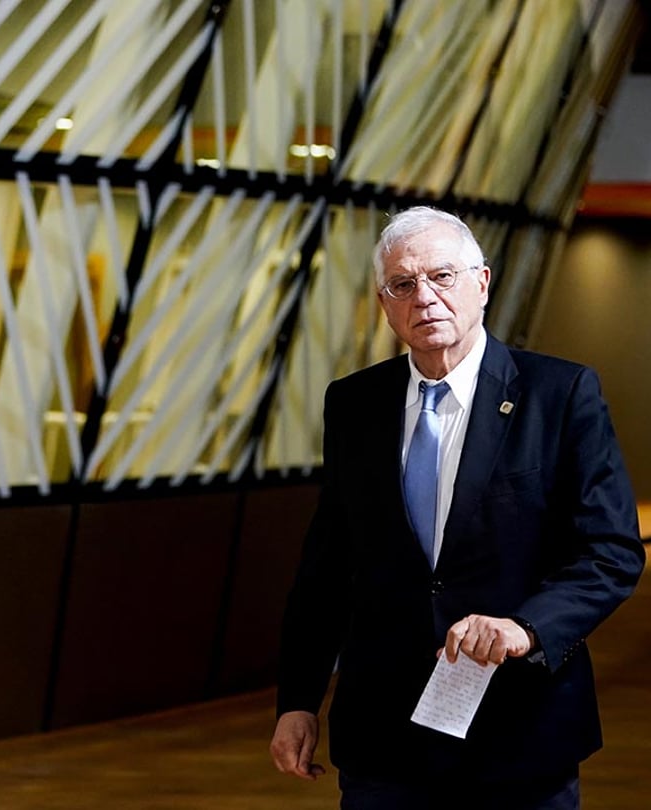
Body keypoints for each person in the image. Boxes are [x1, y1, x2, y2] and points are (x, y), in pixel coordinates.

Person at [269, 206, 644, 809]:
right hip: (383, 743)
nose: (425, 297)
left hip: (519, 737)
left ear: (482, 283)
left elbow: (611, 552)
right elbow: (327, 568)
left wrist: (525, 627)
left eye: (442, 277)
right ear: (385, 303)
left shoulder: (560, 394)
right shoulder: (354, 404)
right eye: (403, 284)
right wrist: (298, 699)